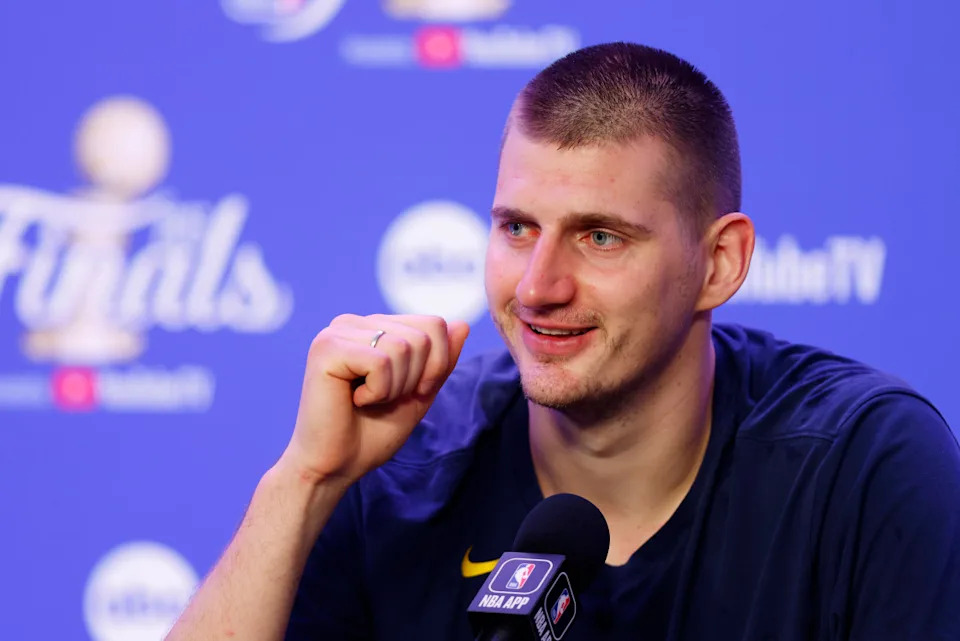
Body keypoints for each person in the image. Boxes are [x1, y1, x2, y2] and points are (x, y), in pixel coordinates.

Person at [166, 42, 960, 641]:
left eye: (601, 237)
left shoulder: (862, 465)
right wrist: (304, 481)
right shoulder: (401, 468)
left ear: (719, 264)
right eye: (517, 228)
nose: (539, 286)